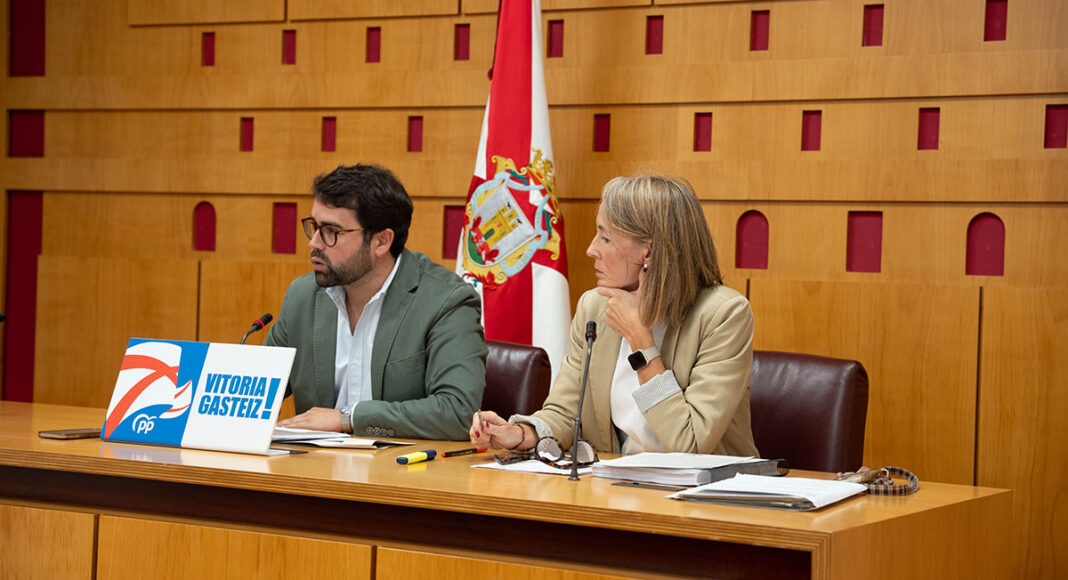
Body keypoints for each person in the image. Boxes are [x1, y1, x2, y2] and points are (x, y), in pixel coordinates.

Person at [470, 174, 759, 456]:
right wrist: (519, 434)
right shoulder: (595, 307)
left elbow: (689, 444)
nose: (591, 249)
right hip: (617, 482)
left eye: (605, 238)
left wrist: (640, 340)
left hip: (706, 486)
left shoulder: (724, 316)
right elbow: (567, 413)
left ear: (648, 252)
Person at [265, 163, 487, 440]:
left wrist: (348, 419)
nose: (315, 243)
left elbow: (458, 412)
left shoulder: (445, 301)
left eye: (332, 231)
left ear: (381, 241)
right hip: (313, 463)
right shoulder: (303, 297)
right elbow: (257, 390)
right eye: (314, 227)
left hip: (402, 464)